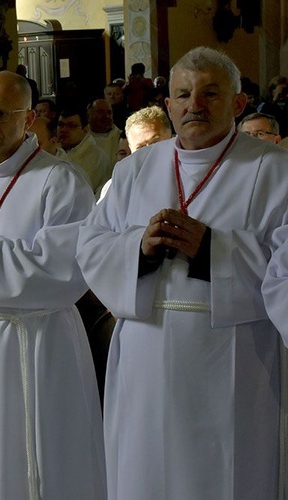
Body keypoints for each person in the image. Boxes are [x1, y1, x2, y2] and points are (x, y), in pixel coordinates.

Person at [77, 46, 288, 499]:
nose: (196, 105)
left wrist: (212, 249)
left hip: (233, 357)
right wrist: (140, 250)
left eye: (211, 93)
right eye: (184, 94)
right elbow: (91, 247)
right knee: (144, 472)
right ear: (168, 105)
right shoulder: (133, 170)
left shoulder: (274, 170)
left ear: (237, 102)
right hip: (144, 357)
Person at [0, 70, 105, 499]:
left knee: (49, 450)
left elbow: (66, 269)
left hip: (44, 337)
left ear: (28, 119)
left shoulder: (60, 181)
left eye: (1, 113)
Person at [57, 105, 111, 194]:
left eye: (72, 126)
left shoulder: (96, 157)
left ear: (85, 130)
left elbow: (79, 191)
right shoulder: (54, 150)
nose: (64, 130)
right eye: (61, 125)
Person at [88, 98, 122, 167]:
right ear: (89, 114)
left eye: (109, 112)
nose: (106, 116)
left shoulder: (121, 138)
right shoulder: (81, 138)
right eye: (100, 112)